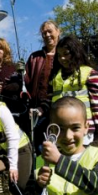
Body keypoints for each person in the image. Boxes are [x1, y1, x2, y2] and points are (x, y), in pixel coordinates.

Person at [43, 34, 98, 145]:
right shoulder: (55, 77)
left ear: (76, 53)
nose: (62, 58)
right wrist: (40, 109)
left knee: (80, 161)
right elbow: (49, 101)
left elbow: (97, 106)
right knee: (59, 161)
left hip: (82, 132)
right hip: (58, 131)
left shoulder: (90, 74)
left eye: (66, 54)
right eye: (59, 55)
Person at [23, 20, 61, 150]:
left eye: (50, 31)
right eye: (44, 33)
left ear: (58, 31)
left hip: (58, 111)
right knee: (38, 147)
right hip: (37, 112)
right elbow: (26, 83)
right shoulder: (34, 57)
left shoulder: (63, 56)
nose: (47, 35)